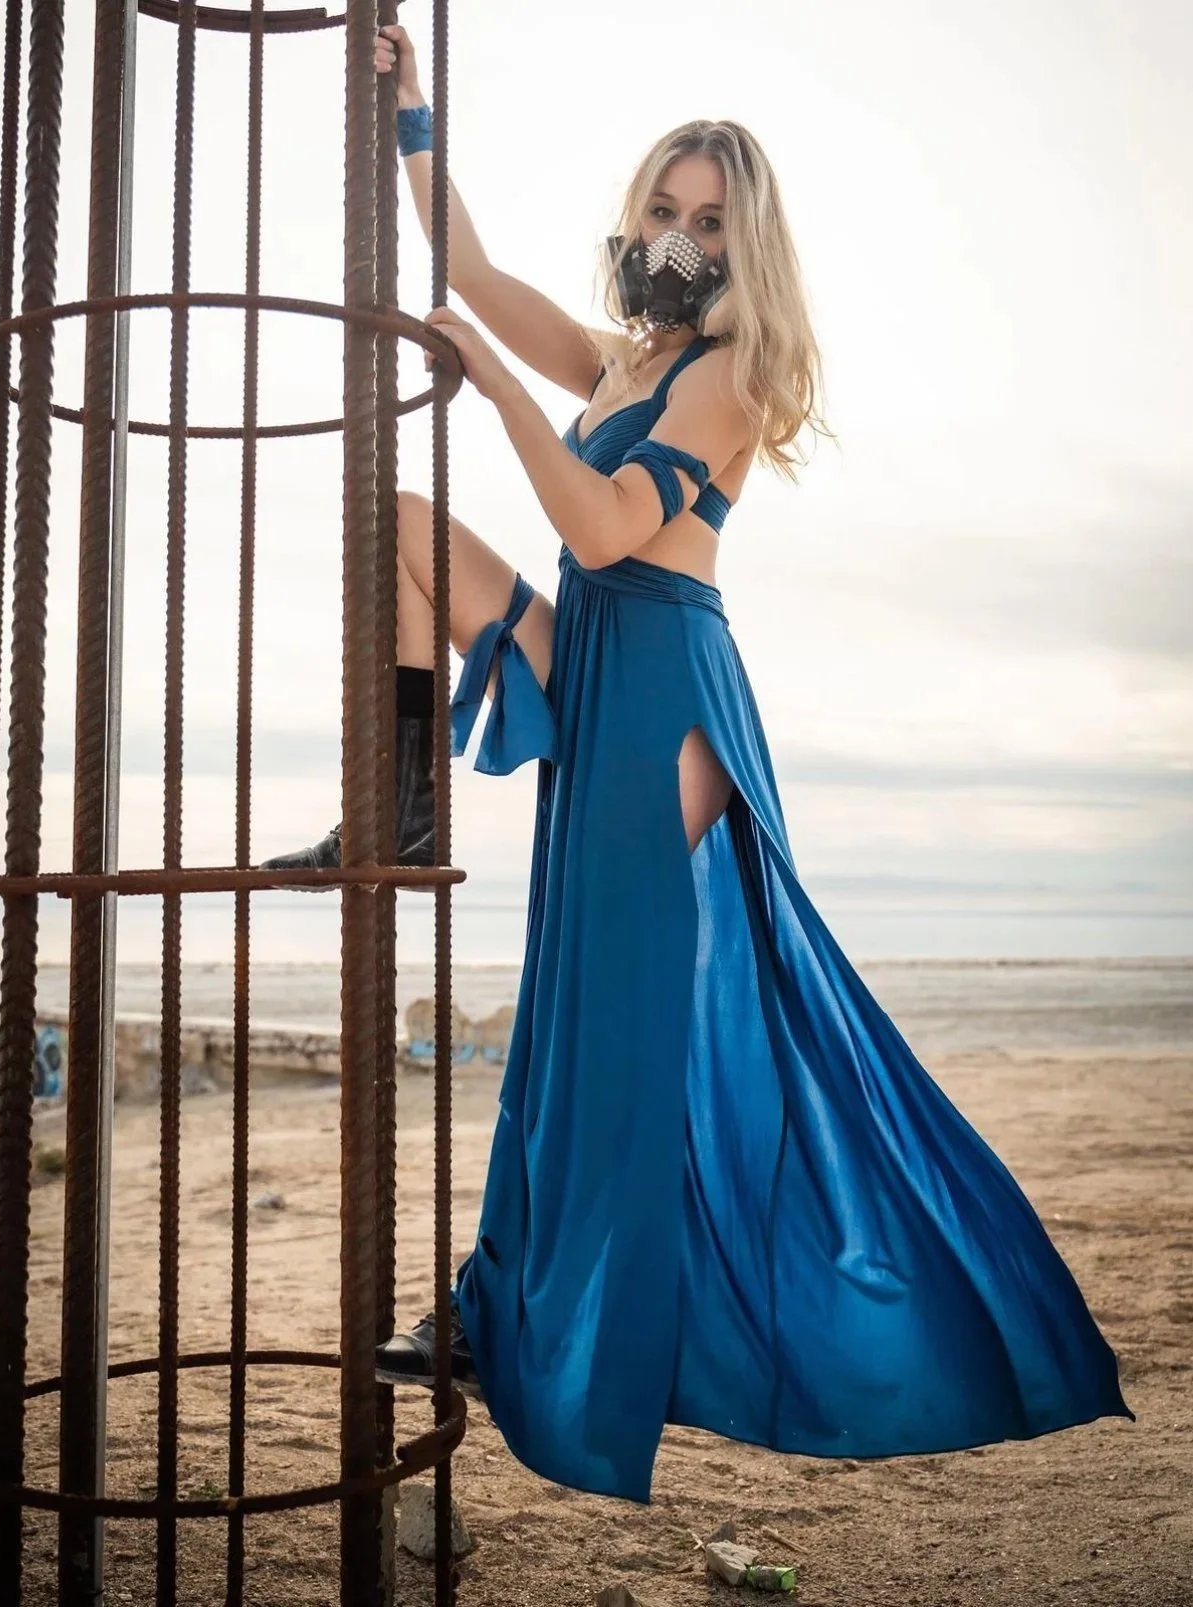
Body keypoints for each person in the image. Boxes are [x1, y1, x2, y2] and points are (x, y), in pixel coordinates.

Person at [265, 24, 1135, 1503]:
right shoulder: (626, 353)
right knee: (397, 521)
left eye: (711, 220)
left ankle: (524, 1321)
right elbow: (468, 271)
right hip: (589, 653)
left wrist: (501, 394)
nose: (680, 237)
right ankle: (404, 806)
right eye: (664, 210)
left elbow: (608, 531)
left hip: (664, 693)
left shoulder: (732, 373)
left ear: (751, 244)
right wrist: (409, 114)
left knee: (599, 1049)